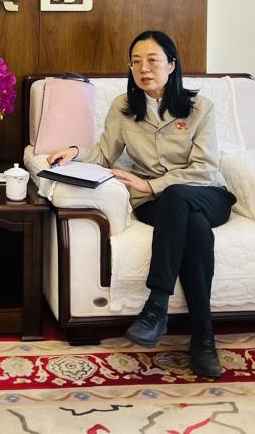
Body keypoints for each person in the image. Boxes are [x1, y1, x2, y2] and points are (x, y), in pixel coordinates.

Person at [46, 30, 234, 378]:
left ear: (172, 65)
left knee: (178, 196)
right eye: (136, 62)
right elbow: (104, 152)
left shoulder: (200, 108)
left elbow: (205, 169)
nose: (143, 68)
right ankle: (203, 337)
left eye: (152, 60)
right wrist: (74, 152)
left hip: (206, 194)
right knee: (193, 228)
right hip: (156, 204)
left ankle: (156, 306)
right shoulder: (124, 108)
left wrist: (151, 184)